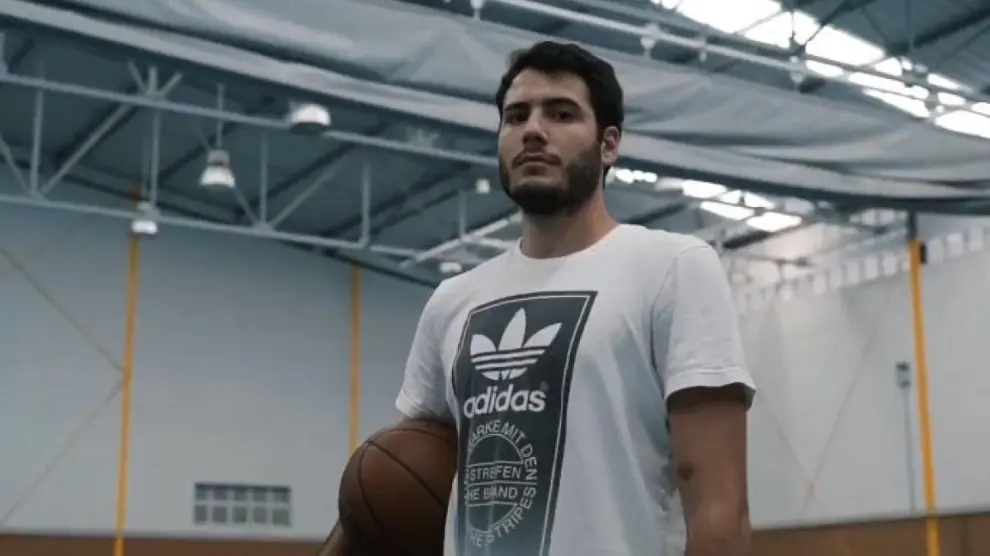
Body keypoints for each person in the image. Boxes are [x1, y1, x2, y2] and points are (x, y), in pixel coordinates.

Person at [324, 40, 756, 556]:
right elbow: (393, 470)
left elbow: (720, 511)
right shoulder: (452, 300)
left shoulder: (672, 268)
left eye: (561, 113)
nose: (532, 129)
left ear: (608, 145)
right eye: (516, 116)